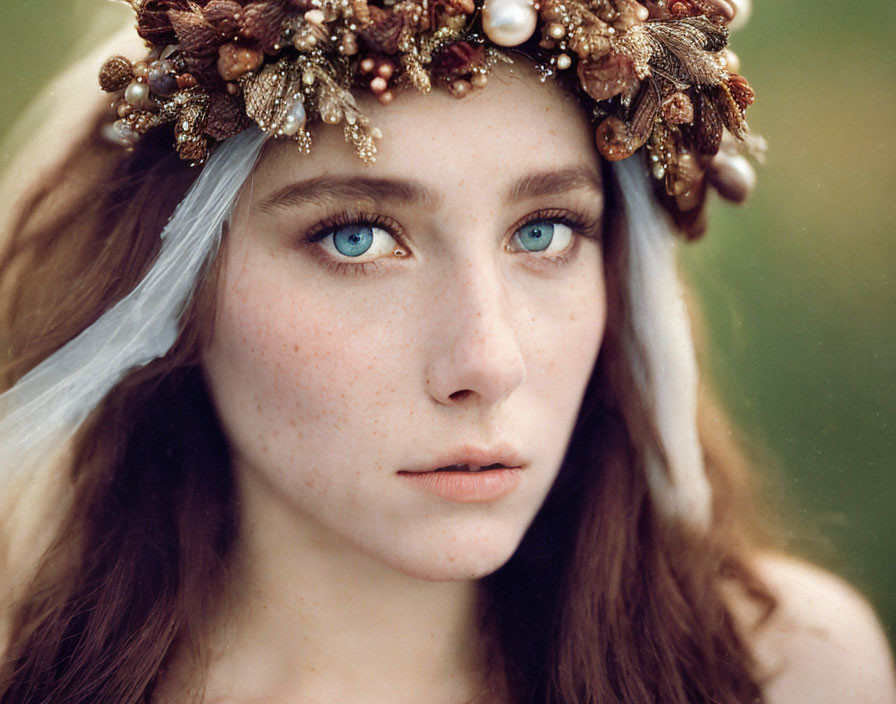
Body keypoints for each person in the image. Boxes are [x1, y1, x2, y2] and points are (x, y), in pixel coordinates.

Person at [0, 0, 893, 702]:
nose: (487, 360)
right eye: (356, 238)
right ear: (173, 283)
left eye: (544, 232)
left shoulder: (785, 674)